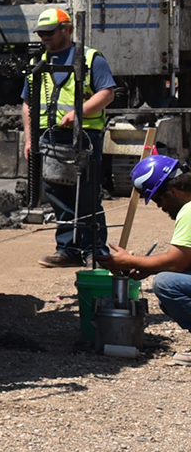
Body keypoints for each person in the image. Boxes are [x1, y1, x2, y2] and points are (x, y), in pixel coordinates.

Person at [20, 5, 116, 268]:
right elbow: (28, 103)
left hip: (84, 137)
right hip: (49, 137)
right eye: (42, 34)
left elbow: (107, 92)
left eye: (50, 32)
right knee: (57, 193)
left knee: (86, 194)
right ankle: (67, 249)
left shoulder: (90, 58)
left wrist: (80, 112)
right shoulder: (37, 62)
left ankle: (94, 250)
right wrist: (29, 139)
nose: (45, 38)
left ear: (67, 29)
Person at [97, 153, 191, 367]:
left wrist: (129, 260)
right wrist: (147, 267)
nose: (159, 206)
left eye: (158, 199)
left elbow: (176, 262)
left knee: (167, 284)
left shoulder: (189, 211)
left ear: (174, 191)